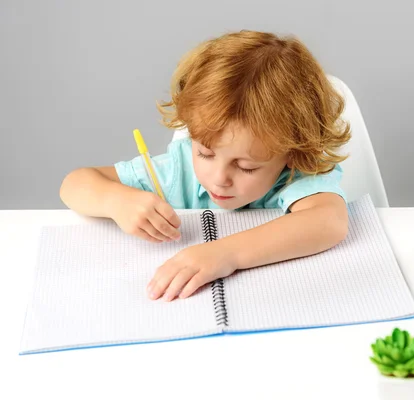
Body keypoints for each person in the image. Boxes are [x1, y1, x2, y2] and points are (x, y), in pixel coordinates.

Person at [60, 30, 351, 302]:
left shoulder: (296, 175)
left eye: (246, 166)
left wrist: (225, 254)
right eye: (205, 154)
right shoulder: (178, 170)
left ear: (292, 152)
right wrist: (116, 201)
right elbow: (74, 184)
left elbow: (329, 222)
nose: (218, 178)